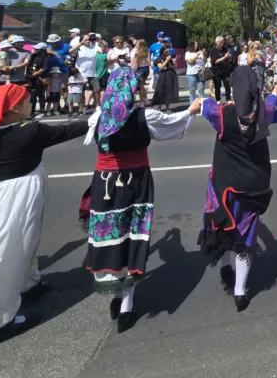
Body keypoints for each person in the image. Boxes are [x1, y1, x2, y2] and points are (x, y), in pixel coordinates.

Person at [0, 85, 90, 348]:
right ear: (13, 109)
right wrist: (100, 117)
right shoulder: (30, 131)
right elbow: (69, 129)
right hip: (20, 193)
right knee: (13, 248)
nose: (30, 105)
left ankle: (28, 284)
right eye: (27, 102)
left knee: (21, 243)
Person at [81, 68, 198, 332]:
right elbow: (171, 126)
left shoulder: (100, 116)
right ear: (134, 90)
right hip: (136, 183)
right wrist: (191, 111)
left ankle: (116, 296)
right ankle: (126, 306)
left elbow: (91, 141)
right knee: (134, 236)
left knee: (111, 237)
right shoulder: (145, 116)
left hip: (106, 183)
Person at [197, 65, 277, 311]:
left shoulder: (222, 113)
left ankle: (224, 267)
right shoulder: (265, 110)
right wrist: (276, 91)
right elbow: (276, 103)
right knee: (246, 235)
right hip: (252, 185)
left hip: (224, 183)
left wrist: (204, 96)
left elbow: (203, 104)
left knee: (221, 225)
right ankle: (240, 292)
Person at [71, 32, 103, 110]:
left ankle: (97, 106)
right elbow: (70, 51)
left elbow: (102, 51)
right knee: (81, 91)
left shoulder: (94, 46)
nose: (88, 41)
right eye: (86, 39)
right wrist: (81, 43)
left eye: (89, 39)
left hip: (92, 73)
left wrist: (97, 41)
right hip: (81, 74)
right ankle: (82, 108)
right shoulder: (79, 48)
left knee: (96, 90)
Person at [152, 44, 179, 111]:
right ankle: (159, 106)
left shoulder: (171, 57)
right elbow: (161, 67)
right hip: (163, 75)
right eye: (166, 51)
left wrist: (174, 61)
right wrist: (166, 60)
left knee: (169, 90)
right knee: (161, 90)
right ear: (162, 51)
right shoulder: (159, 58)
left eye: (168, 51)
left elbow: (175, 67)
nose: (168, 53)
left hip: (171, 74)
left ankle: (167, 107)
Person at [208, 36, 235, 103]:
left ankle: (228, 99)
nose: (222, 44)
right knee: (217, 86)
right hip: (217, 71)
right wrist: (224, 57)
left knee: (227, 85)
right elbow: (215, 61)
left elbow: (229, 59)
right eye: (220, 43)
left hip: (225, 70)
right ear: (216, 43)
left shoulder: (225, 49)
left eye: (222, 43)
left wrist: (229, 57)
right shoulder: (212, 51)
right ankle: (218, 99)